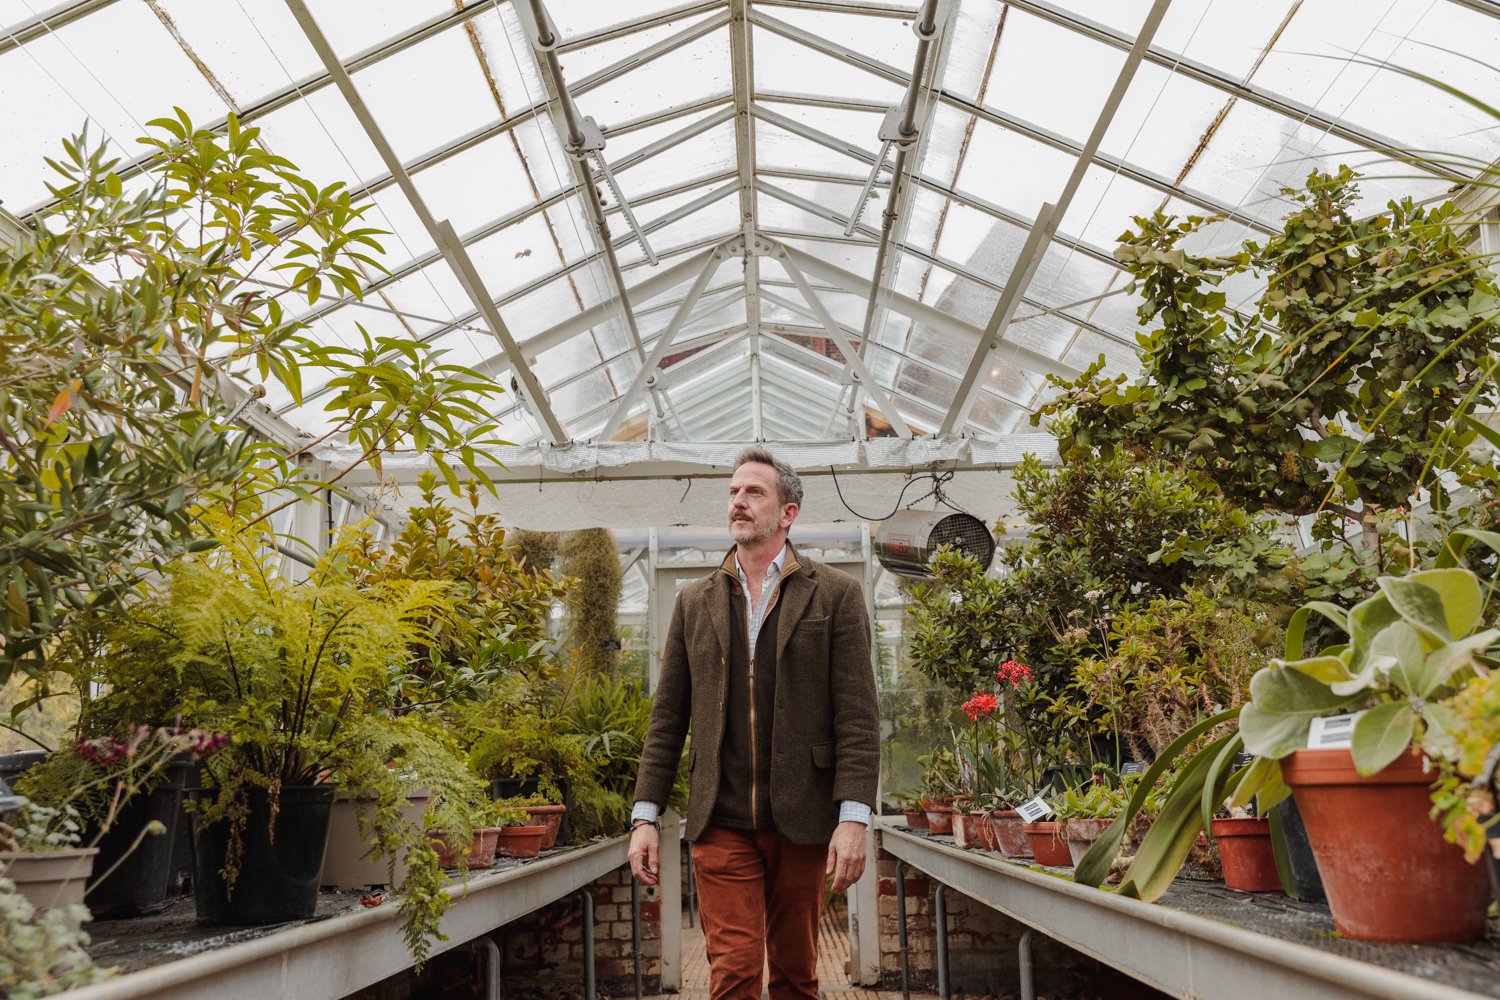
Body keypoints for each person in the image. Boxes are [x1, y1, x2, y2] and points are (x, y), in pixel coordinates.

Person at [627, 447, 880, 1000]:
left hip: (804, 819)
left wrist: (853, 818)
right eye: (733, 493)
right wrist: (644, 817)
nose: (738, 503)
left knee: (796, 974)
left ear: (787, 513)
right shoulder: (695, 602)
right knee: (735, 972)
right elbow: (667, 718)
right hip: (720, 818)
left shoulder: (835, 594)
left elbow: (858, 719)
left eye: (754, 493)